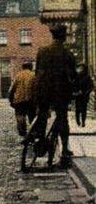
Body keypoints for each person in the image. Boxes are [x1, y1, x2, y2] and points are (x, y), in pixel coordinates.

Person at [34, 23, 77, 165]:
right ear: (63, 37)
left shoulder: (42, 51)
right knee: (62, 118)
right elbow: (73, 76)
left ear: (52, 36)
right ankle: (64, 149)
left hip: (44, 91)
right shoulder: (68, 54)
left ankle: (40, 139)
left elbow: (37, 73)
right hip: (61, 93)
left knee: (42, 114)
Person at [8, 61, 36, 137]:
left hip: (19, 100)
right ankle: (33, 133)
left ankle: (23, 133)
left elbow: (11, 90)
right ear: (31, 67)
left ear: (22, 67)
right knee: (32, 117)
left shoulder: (18, 76)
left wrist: (10, 100)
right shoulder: (34, 75)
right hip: (30, 100)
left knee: (20, 116)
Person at [74, 63, 93, 128]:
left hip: (84, 96)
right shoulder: (76, 77)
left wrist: (85, 92)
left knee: (84, 110)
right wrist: (75, 92)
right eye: (79, 68)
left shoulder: (87, 77)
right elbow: (74, 85)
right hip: (78, 96)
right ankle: (78, 120)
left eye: (81, 68)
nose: (80, 69)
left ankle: (83, 121)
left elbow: (90, 87)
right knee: (77, 110)